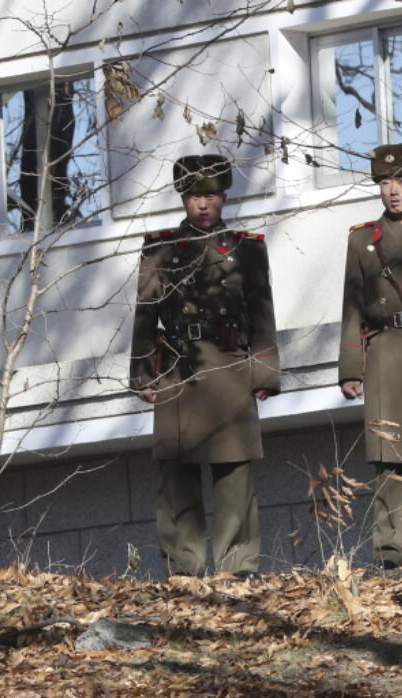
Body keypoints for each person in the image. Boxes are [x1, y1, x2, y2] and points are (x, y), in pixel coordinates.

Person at [129, 154, 280, 577]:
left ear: (224, 197)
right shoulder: (159, 249)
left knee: (234, 472)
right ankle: (184, 569)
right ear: (183, 197)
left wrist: (265, 372)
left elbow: (263, 309)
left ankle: (239, 566)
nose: (202, 204)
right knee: (178, 474)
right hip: (178, 366)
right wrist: (143, 373)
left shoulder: (247, 248)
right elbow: (145, 313)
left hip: (232, 363)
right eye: (195, 195)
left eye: (210, 195)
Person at [338, 141, 402, 568]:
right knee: (390, 459)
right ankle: (394, 555)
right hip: (384, 355)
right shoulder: (363, 240)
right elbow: (351, 307)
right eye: (385, 181)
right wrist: (350, 367)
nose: (394, 190)